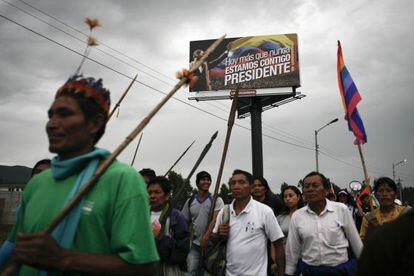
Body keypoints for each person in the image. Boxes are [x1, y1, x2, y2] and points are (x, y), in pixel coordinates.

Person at [2, 75, 159, 275]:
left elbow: (144, 268)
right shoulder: (37, 183)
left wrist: (63, 258)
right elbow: (15, 247)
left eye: (64, 114)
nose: (51, 124)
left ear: (94, 123)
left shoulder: (122, 180)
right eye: (51, 115)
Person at [285, 171, 363, 276]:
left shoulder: (341, 210)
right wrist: (288, 272)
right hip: (310, 272)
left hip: (339, 271)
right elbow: (292, 250)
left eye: (315, 185)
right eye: (306, 186)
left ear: (326, 191)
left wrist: (365, 266)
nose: (310, 189)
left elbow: (356, 242)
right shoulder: (297, 216)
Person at [212, 169, 285, 276]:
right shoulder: (225, 212)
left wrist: (281, 273)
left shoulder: (264, 211)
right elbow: (214, 239)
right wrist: (219, 234)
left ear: (251, 187)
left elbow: (278, 244)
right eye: (233, 183)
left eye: (241, 182)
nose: (236, 186)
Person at [181, 171, 224, 276]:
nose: (206, 182)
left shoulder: (216, 200)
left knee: (210, 272)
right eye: (203, 180)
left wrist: (206, 237)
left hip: (212, 246)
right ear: (197, 183)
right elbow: (184, 221)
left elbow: (215, 220)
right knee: (191, 271)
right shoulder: (190, 201)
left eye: (208, 180)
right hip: (196, 244)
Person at [148, 176, 189, 276]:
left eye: (157, 192)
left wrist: (160, 238)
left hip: (166, 270)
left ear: (167, 195)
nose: (152, 196)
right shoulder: (141, 215)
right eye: (150, 192)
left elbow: (182, 250)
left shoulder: (176, 217)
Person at [358, 208, 414, 275]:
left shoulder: (405, 213)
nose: (385, 196)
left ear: (395, 196)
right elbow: (361, 242)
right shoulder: (369, 217)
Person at [359, 176, 411, 242]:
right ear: (375, 195)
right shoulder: (369, 218)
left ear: (395, 194)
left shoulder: (406, 213)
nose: (384, 194)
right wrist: (370, 230)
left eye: (388, 190)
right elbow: (361, 246)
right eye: (380, 191)